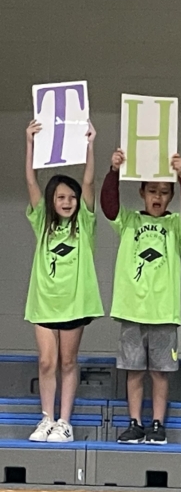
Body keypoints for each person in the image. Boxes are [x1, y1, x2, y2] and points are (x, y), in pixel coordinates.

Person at [102, 147, 181, 445]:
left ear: (171, 196)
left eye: (165, 192)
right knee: (133, 371)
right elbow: (108, 205)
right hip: (131, 310)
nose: (158, 197)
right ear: (142, 192)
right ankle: (135, 423)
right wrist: (114, 171)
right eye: (153, 191)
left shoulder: (174, 226)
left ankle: (157, 424)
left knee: (160, 372)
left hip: (163, 312)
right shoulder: (129, 221)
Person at [24, 120, 103, 444]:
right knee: (47, 361)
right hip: (44, 302)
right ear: (51, 201)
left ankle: (64, 422)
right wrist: (30, 143)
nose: (68, 201)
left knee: (68, 361)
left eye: (72, 197)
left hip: (73, 304)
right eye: (60, 197)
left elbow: (89, 180)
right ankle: (46, 418)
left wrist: (90, 145)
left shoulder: (84, 223)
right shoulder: (41, 220)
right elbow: (31, 180)